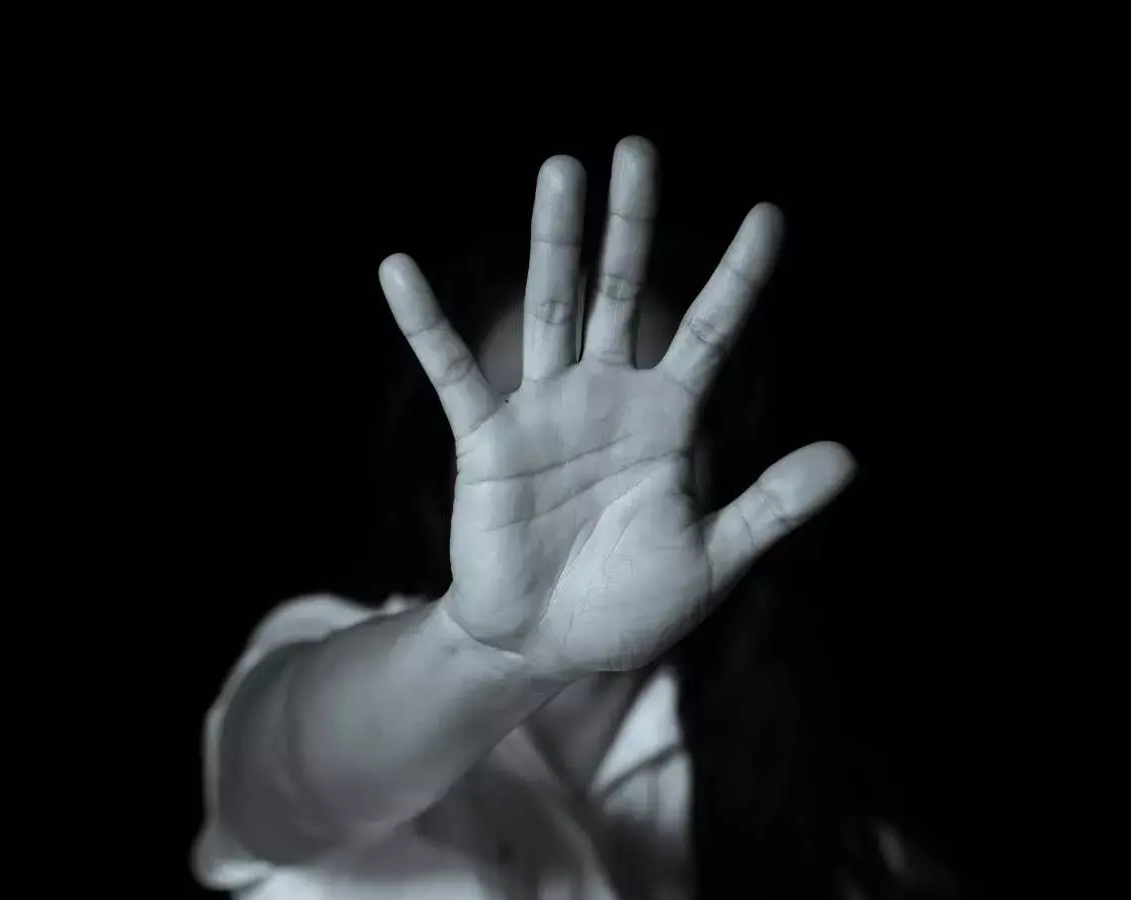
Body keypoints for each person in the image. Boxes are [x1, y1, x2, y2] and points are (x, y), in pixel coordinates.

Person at [193, 137, 948, 899]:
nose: (585, 472)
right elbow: (283, 780)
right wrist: (490, 653)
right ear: (450, 462)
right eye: (519, 410)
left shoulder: (805, 786)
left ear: (714, 456)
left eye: (634, 428)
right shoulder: (336, 653)